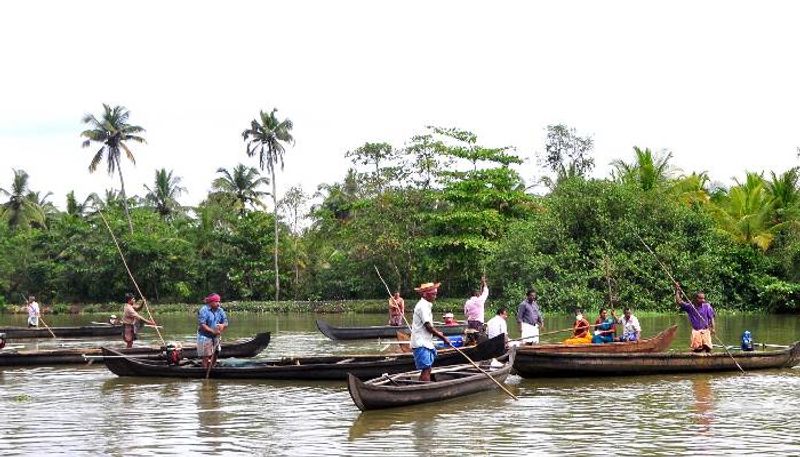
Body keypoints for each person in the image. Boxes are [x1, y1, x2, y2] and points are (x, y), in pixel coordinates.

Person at [411, 282, 451, 382]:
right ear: (425, 294)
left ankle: (423, 387)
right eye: (433, 294)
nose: (435, 296)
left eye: (435, 293)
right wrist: (443, 338)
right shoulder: (422, 306)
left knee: (427, 369)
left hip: (425, 342)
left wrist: (438, 333)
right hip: (421, 343)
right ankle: (424, 389)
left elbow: (429, 327)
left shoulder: (426, 305)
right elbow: (428, 326)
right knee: (426, 369)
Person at [676, 286, 715, 353]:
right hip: (696, 331)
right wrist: (677, 291)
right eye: (701, 299)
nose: (703, 300)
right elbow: (679, 302)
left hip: (705, 330)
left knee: (707, 348)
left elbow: (711, 318)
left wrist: (713, 328)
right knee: (696, 349)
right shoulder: (691, 307)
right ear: (696, 299)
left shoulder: (707, 306)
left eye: (704, 298)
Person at [198, 292, 229, 369]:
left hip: (216, 335)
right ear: (211, 302)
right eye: (216, 302)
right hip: (205, 335)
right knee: (206, 355)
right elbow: (202, 325)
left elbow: (225, 322)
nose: (218, 303)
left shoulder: (220, 310)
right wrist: (213, 331)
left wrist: (223, 325)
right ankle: (205, 369)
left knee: (216, 352)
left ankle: (212, 367)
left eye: (219, 301)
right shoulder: (204, 310)